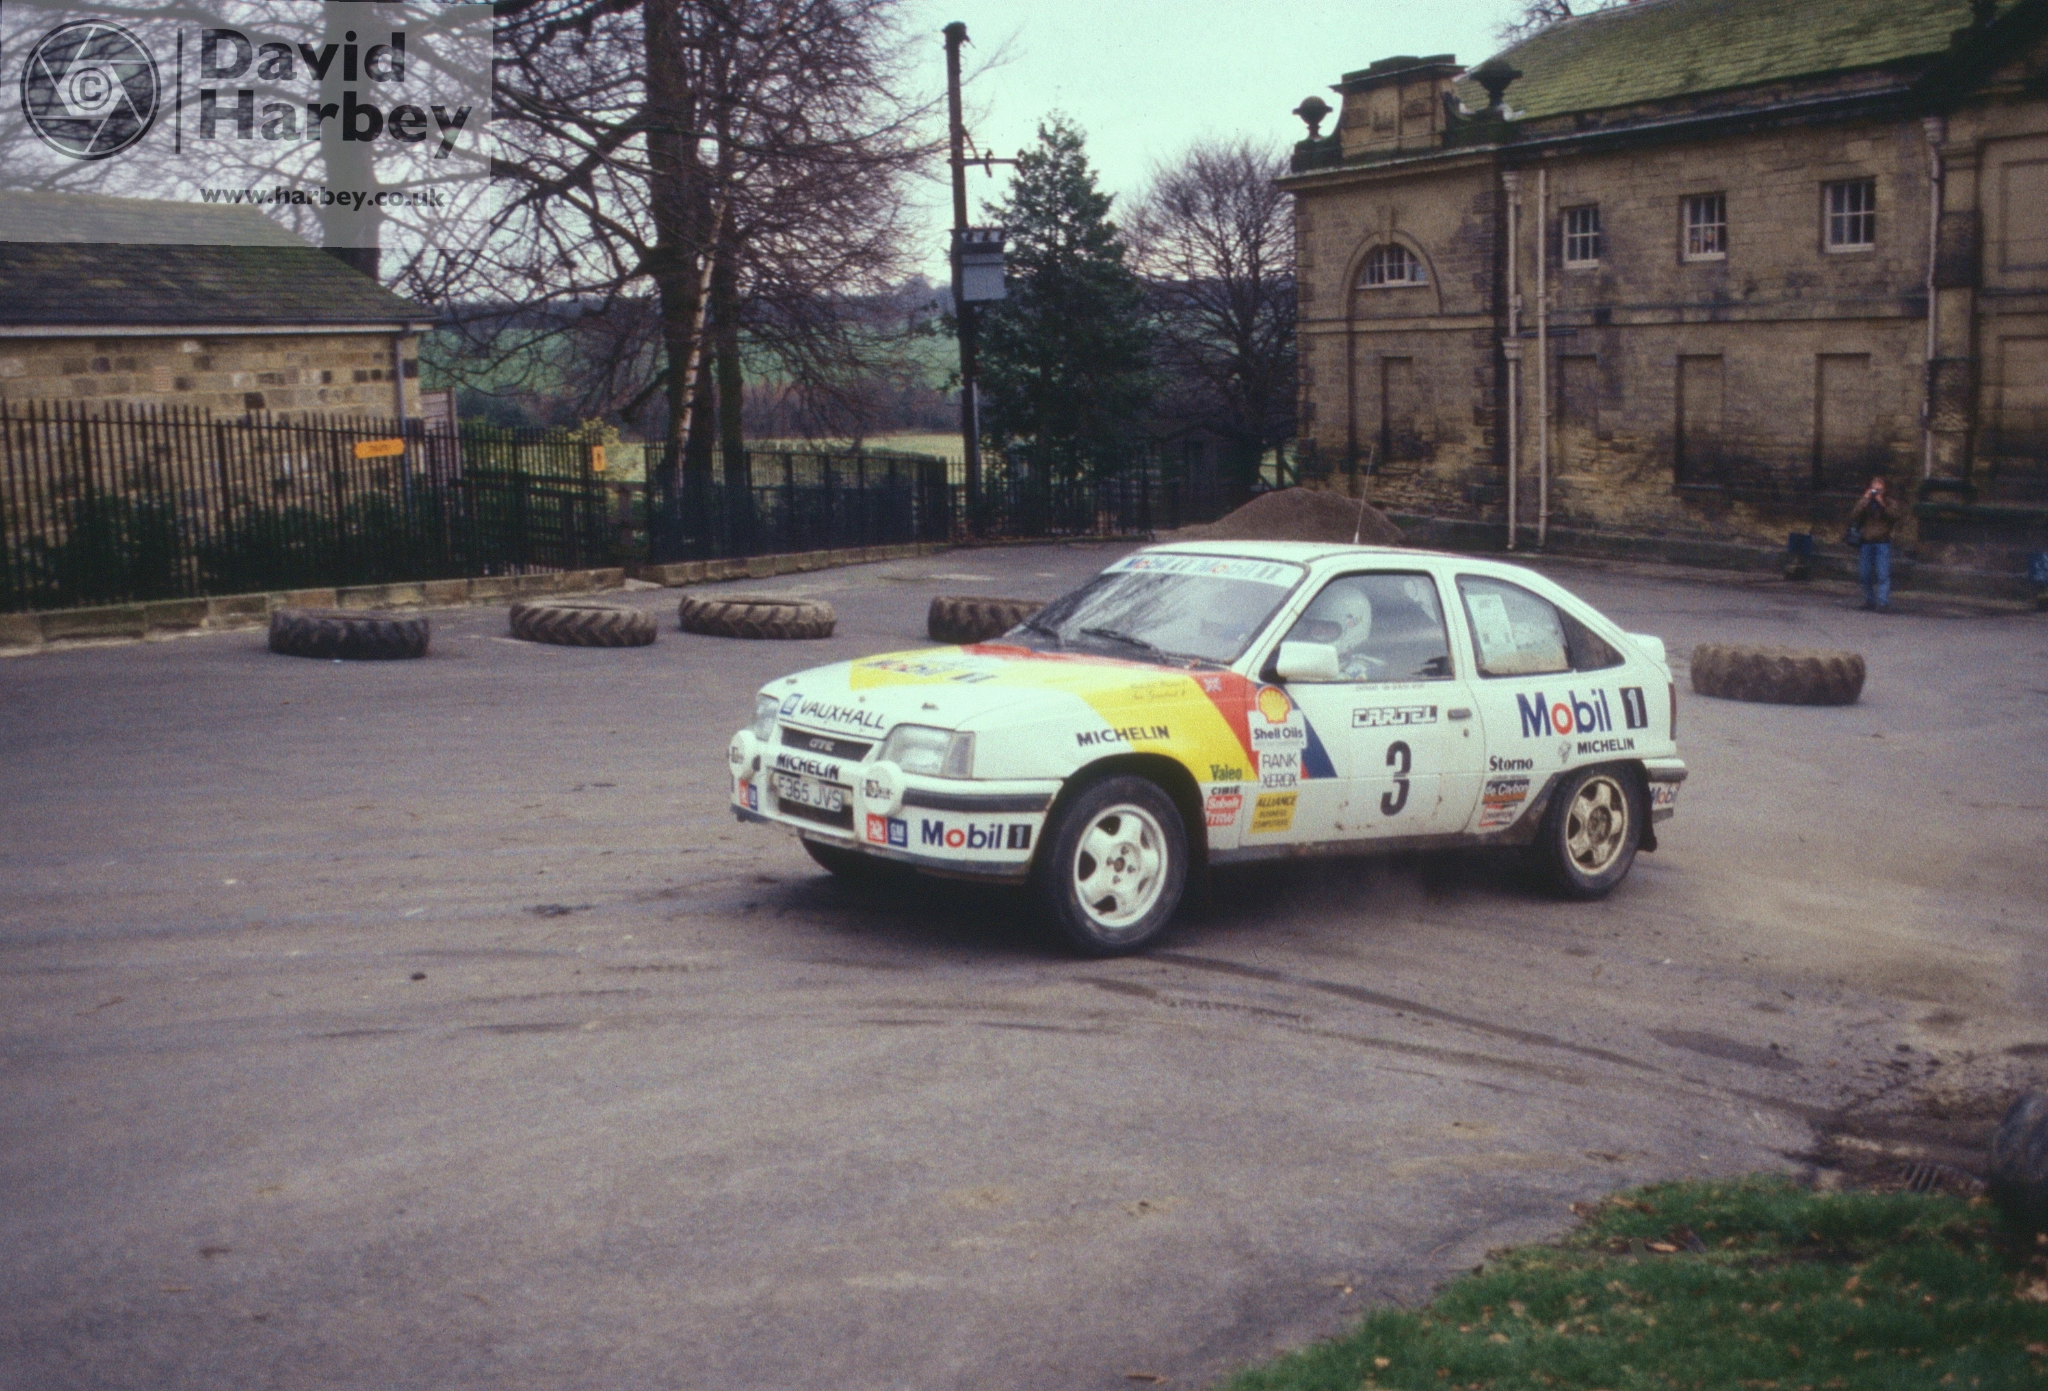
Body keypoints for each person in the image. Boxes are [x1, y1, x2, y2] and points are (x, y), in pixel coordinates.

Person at [1848, 476, 1903, 611]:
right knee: (1864, 574)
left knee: (1882, 574)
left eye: (1880, 489)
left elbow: (1895, 516)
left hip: (1882, 542)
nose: (1877, 492)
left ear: (1884, 490)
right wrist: (1865, 499)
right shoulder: (1867, 502)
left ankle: (1883, 602)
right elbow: (1854, 515)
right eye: (1875, 489)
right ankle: (1869, 600)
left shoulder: (1889, 502)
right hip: (1866, 542)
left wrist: (1882, 503)